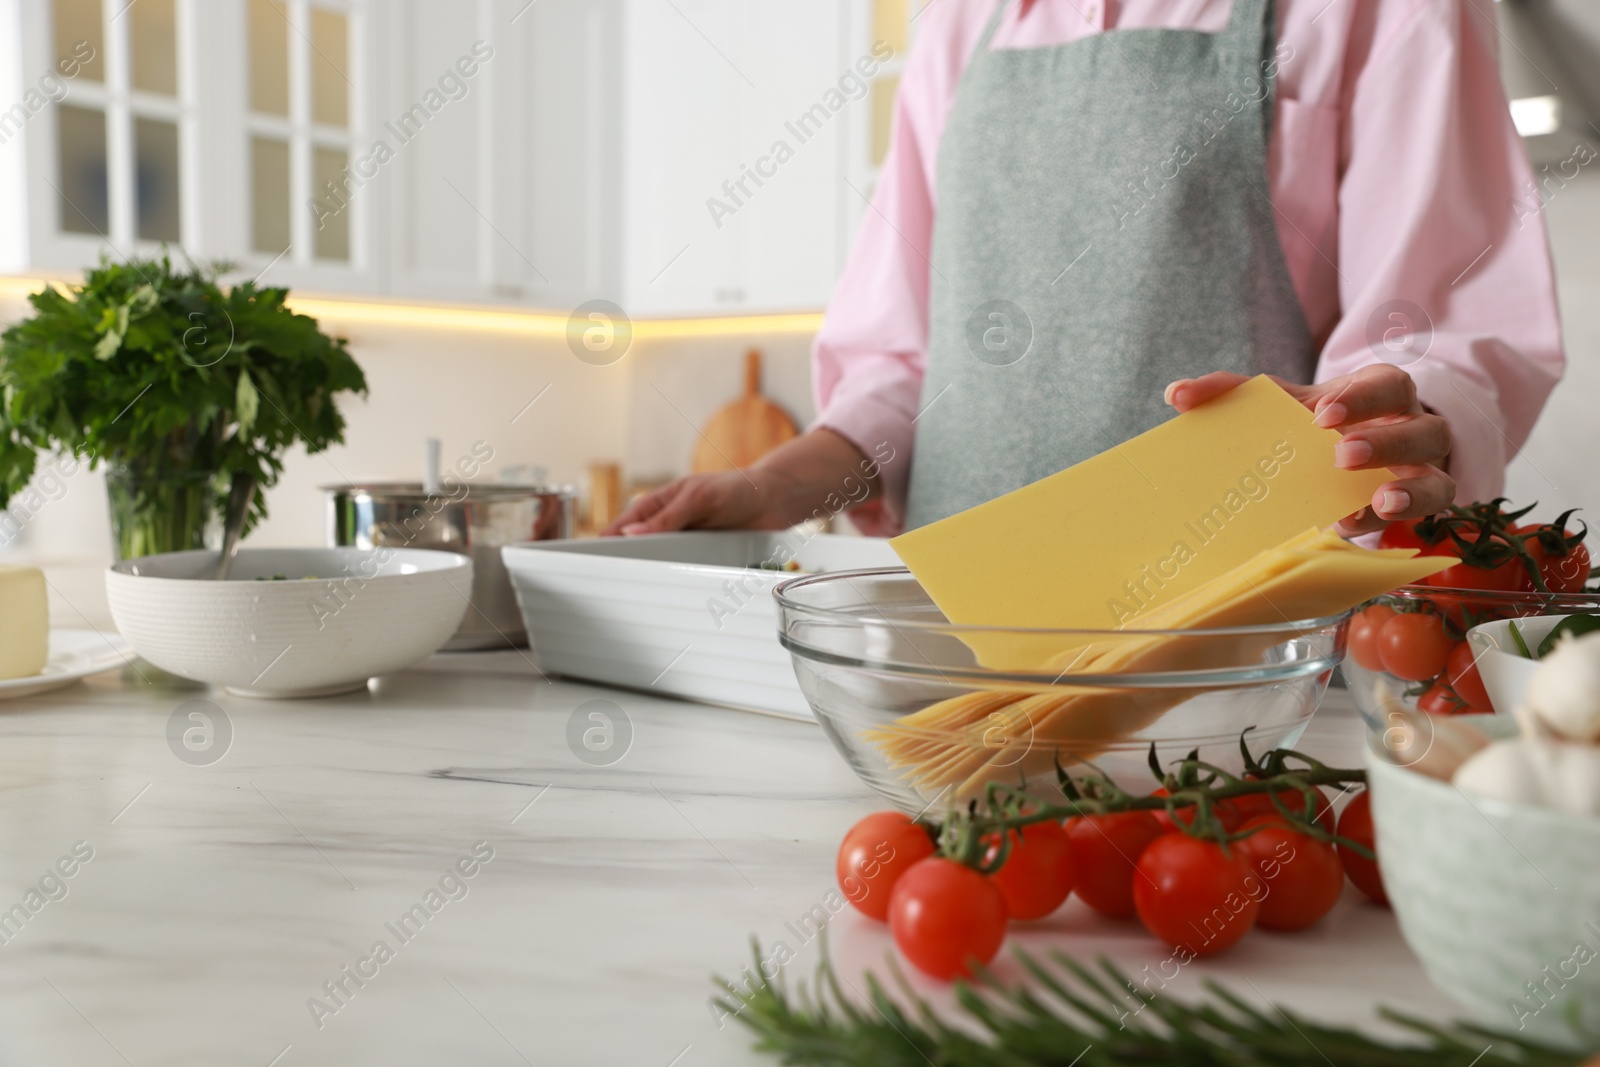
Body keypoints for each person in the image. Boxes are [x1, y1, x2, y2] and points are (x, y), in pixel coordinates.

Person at [607, 0, 1563, 540]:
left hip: (1243, 682)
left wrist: (1399, 425)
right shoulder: (960, 20)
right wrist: (774, 486)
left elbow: (1443, 336)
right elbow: (903, 374)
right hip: (953, 670)